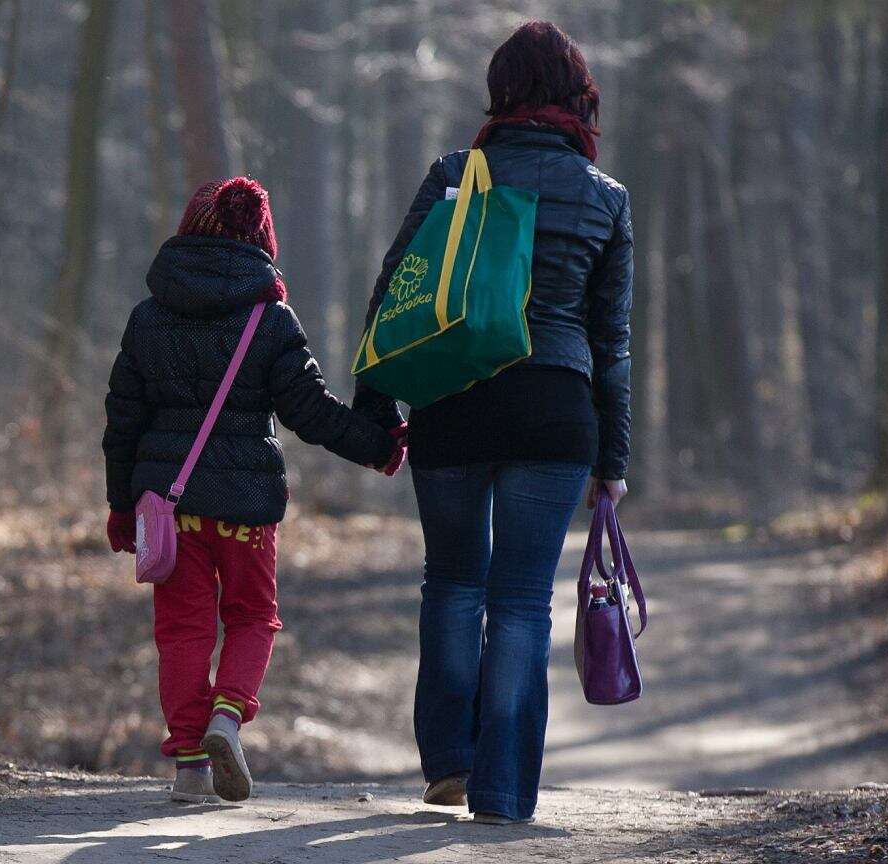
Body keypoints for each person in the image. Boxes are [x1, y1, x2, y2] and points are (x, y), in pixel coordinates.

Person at [353, 21, 633, 824]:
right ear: (575, 94)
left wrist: (378, 409)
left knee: (450, 583)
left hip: (452, 399)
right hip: (554, 411)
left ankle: (448, 759)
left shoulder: (454, 174)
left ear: (501, 90)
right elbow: (609, 343)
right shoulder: (603, 197)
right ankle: (503, 793)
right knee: (517, 604)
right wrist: (612, 460)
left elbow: (395, 293)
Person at [102, 177, 406, 804]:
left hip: (169, 506)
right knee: (251, 617)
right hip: (245, 510)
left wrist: (120, 504)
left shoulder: (148, 315)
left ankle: (188, 766)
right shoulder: (269, 319)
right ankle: (227, 718)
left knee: (183, 631)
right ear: (259, 236)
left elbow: (122, 421)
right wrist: (378, 447)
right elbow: (310, 410)